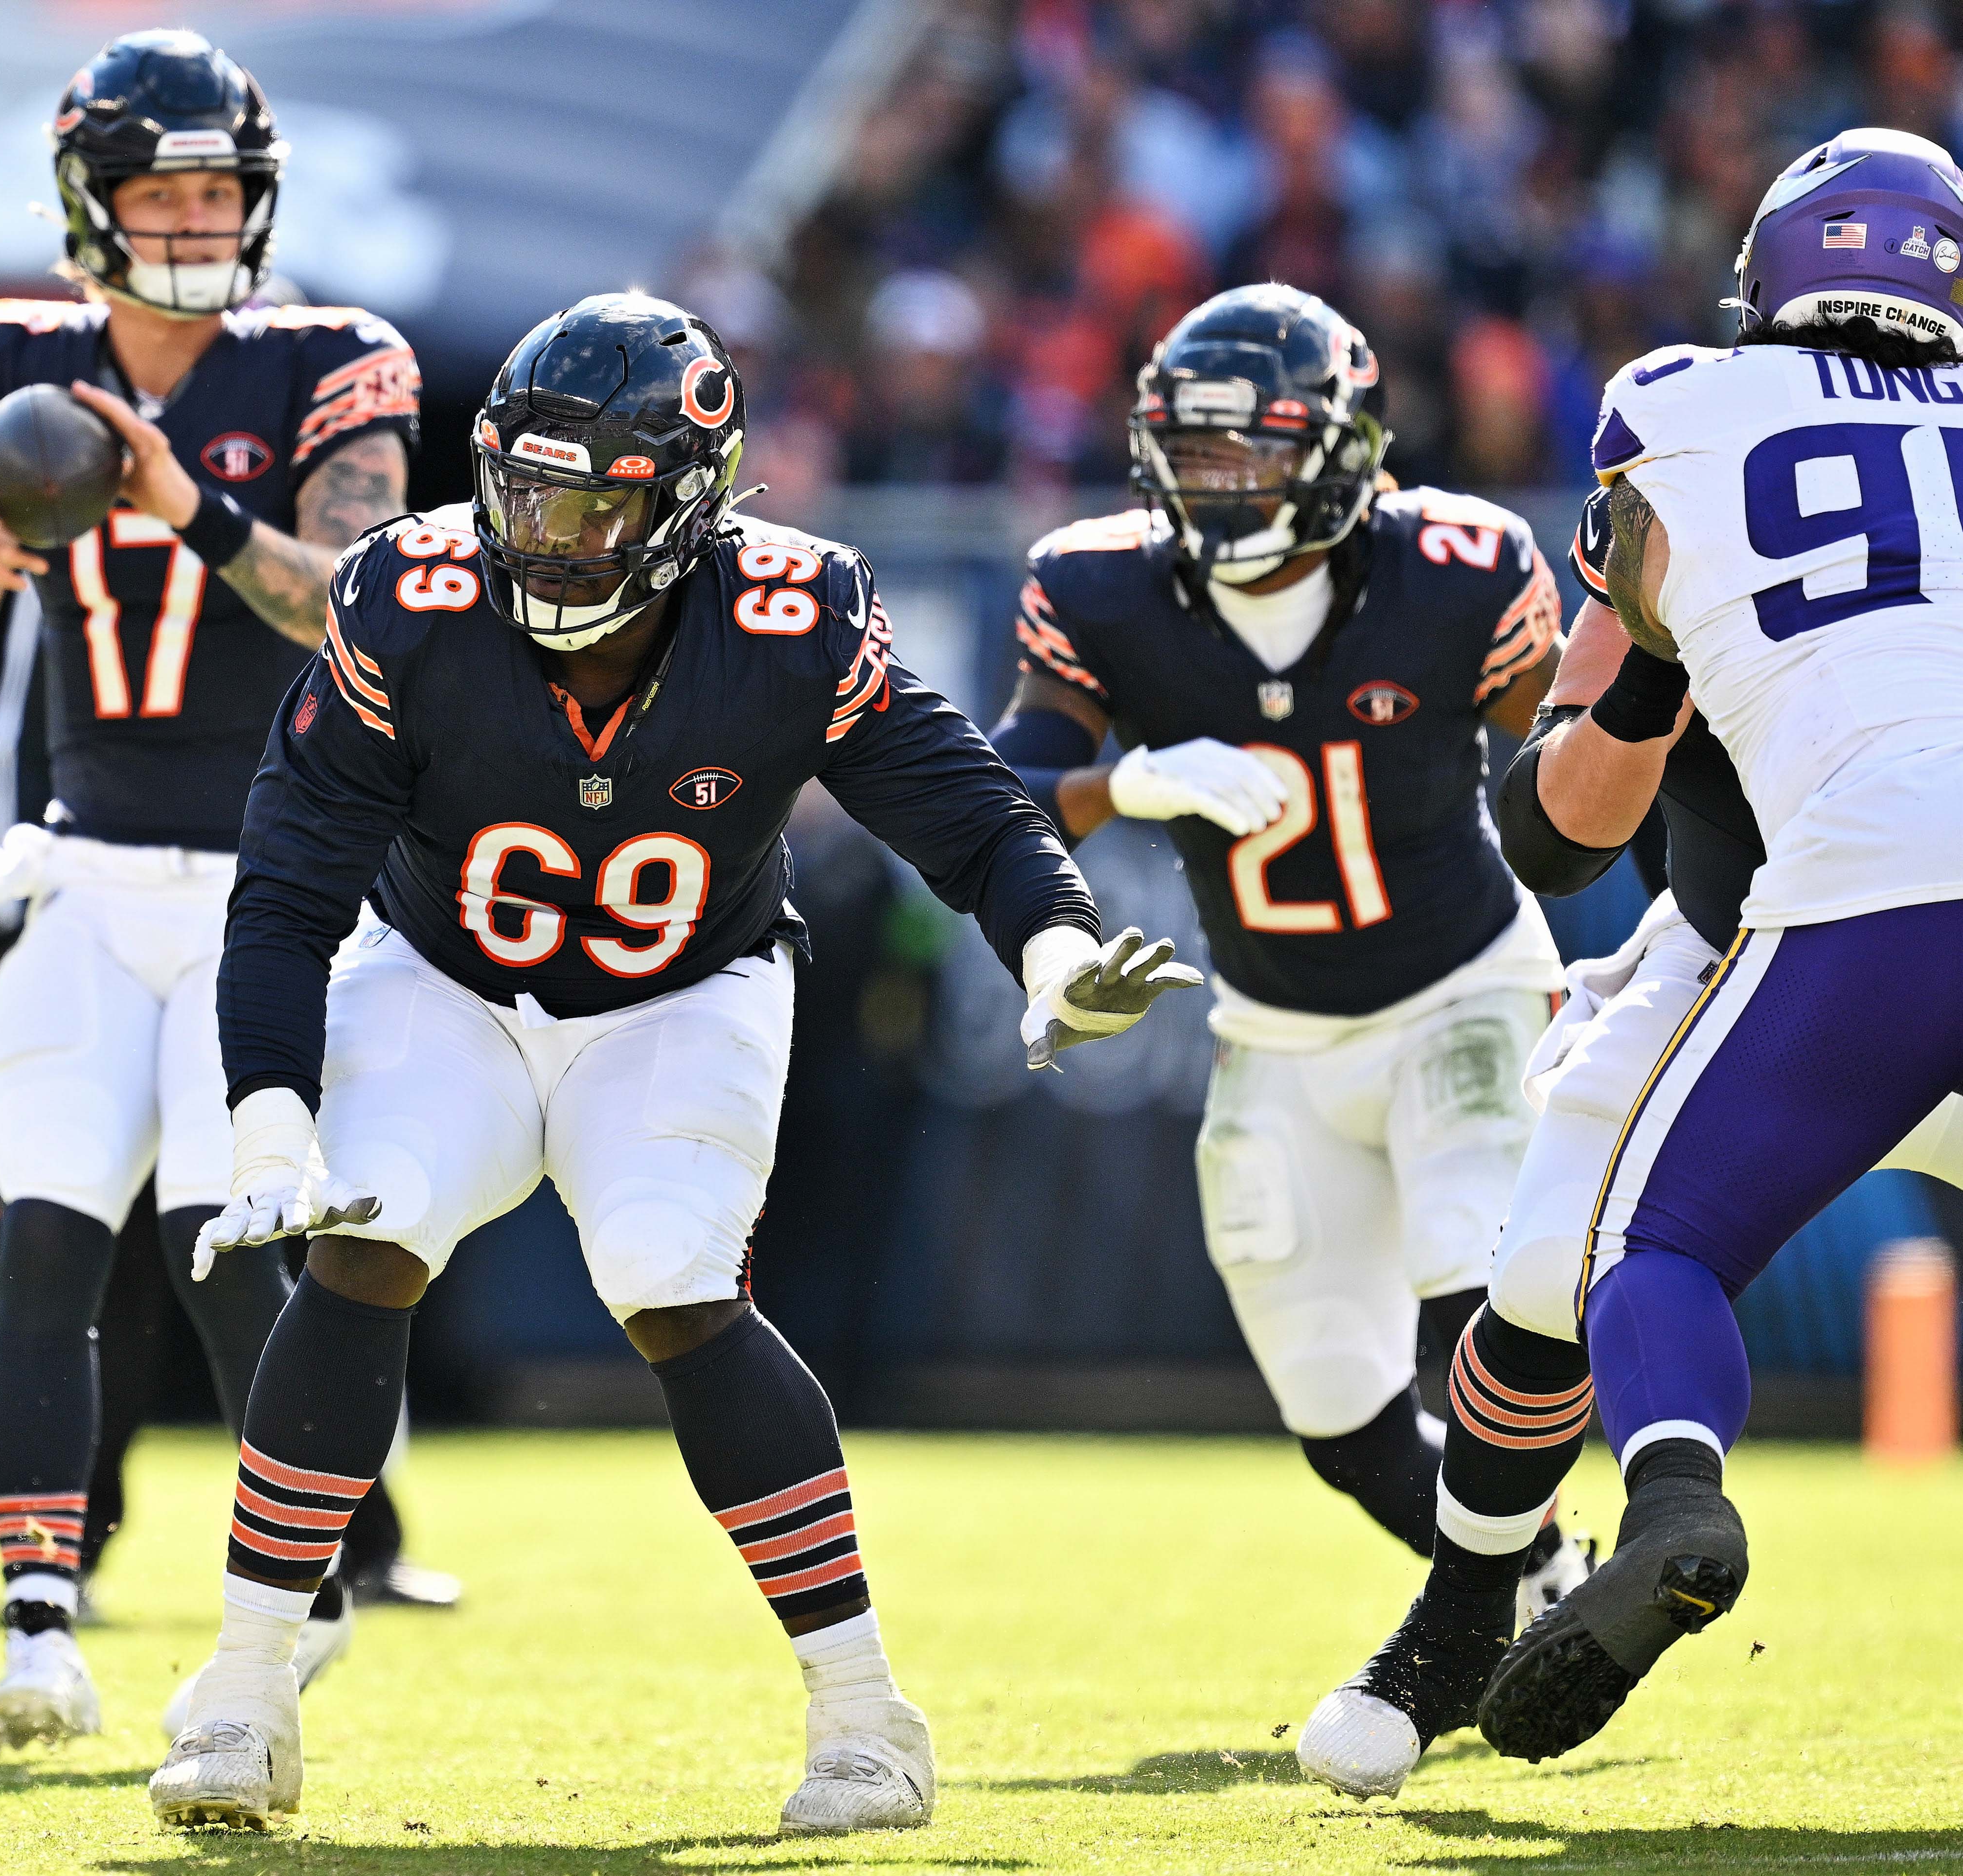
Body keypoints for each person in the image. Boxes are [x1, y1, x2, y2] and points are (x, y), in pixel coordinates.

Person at [147, 291, 1199, 1834]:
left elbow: (965, 810)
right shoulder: (409, 594)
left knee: (667, 1273)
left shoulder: (791, 615)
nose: (541, 530)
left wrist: (1051, 950)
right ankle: (243, 1693)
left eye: (586, 500)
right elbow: (290, 875)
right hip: (445, 981)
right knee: (363, 1237)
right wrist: (266, 1115)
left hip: (681, 994)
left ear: (687, 503)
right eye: (519, 485)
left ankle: (864, 1716)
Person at [1331, 125, 1963, 1779]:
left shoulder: (1676, 411)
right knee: (1541, 1278)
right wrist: (1641, 694)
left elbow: (1549, 846)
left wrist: (1655, 646)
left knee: (1624, 1259)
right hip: (1738, 913)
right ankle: (1464, 1614)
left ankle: (1671, 1500)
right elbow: (1556, 824)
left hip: (1842, 915)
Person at [0, 28, 418, 1749]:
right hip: (87, 867)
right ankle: (42, 1624)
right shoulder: (12, 357)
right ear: (90, 202)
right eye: (161, 189)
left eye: (217, 188)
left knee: (216, 1245)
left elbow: (357, 600)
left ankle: (303, 1584)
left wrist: (191, 510)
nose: (194, 219)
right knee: (43, 1237)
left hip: (272, 885)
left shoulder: (336, 358)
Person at [989, 285, 1588, 1608]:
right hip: (1271, 1028)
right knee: (1337, 1417)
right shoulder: (1097, 585)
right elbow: (1001, 800)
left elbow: (1583, 771)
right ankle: (1542, 1574)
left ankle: (1467, 1618)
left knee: (1474, 1292)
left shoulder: (1455, 569)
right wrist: (1126, 784)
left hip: (1461, 991)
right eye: (1189, 452)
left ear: (1336, 449)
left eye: (1247, 450)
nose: (1213, 484)